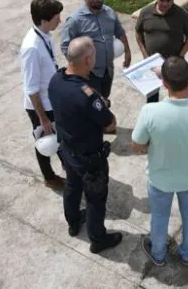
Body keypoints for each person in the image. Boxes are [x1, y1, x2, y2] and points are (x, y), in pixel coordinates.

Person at [132, 56, 188, 266]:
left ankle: (158, 254)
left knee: (159, 219)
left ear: (164, 83)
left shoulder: (150, 112)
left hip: (160, 177)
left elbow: (137, 145)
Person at [48, 36, 122, 254]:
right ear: (88, 59)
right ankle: (98, 239)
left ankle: (73, 222)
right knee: (95, 198)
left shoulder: (56, 79)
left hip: (68, 150)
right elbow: (110, 124)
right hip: (90, 157)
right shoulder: (87, 96)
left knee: (72, 186)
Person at [60, 0, 131, 108]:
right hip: (89, 74)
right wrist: (78, 68)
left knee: (104, 96)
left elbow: (120, 32)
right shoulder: (75, 20)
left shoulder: (109, 13)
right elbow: (65, 46)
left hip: (108, 70)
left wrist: (127, 52)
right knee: (90, 104)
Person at [19, 0, 65, 190]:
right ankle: (49, 177)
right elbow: (31, 89)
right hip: (41, 107)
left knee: (58, 137)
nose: (60, 21)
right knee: (44, 142)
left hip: (51, 101)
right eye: (57, 17)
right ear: (45, 20)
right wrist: (43, 118)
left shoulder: (44, 35)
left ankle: (66, 166)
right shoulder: (31, 47)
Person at [135, 0, 188, 103]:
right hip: (151, 64)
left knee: (175, 98)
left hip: (174, 65)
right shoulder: (145, 13)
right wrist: (145, 56)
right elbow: (138, 32)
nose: (165, 4)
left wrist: (180, 56)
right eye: (162, 0)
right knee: (151, 98)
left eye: (169, 0)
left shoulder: (181, 15)